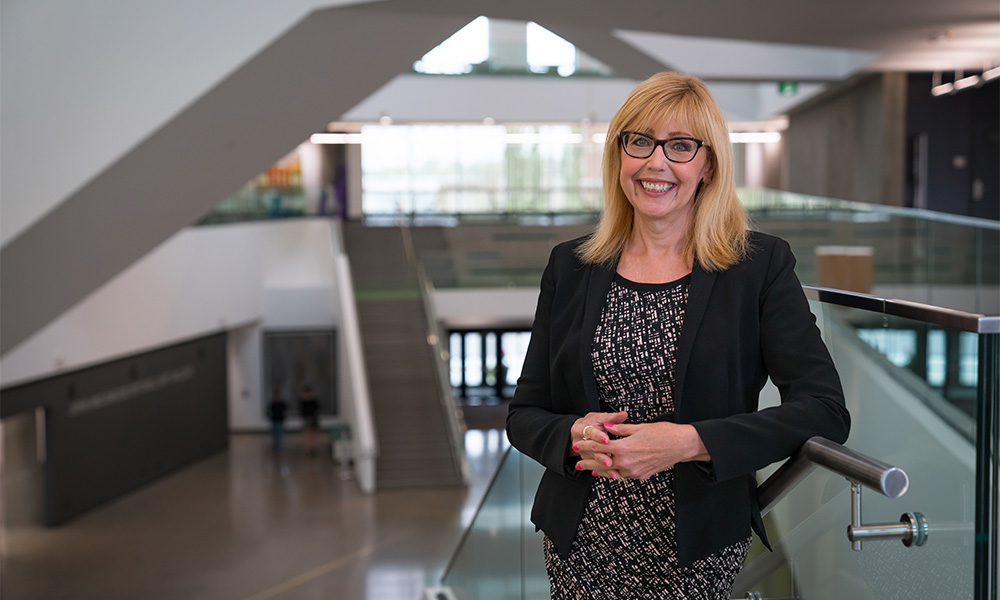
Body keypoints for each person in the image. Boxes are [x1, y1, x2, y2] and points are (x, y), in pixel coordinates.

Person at [505, 72, 850, 599]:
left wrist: (691, 443)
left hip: (697, 543)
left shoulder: (758, 267)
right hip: (582, 540)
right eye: (639, 141)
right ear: (620, 154)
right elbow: (524, 414)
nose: (656, 162)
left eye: (681, 146)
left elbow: (825, 409)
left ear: (708, 164)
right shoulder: (571, 266)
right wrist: (572, 435)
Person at [298, 383, 321, 457]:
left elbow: (317, 410)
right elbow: (302, 412)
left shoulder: (314, 401)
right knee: (307, 435)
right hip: (307, 420)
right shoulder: (303, 402)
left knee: (313, 435)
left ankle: (313, 449)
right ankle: (309, 450)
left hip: (313, 419)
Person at [267, 386, 288, 455]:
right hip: (275, 420)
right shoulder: (273, 403)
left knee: (278, 435)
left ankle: (278, 448)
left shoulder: (281, 403)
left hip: (279, 420)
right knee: (276, 435)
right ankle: (276, 448)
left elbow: (285, 410)